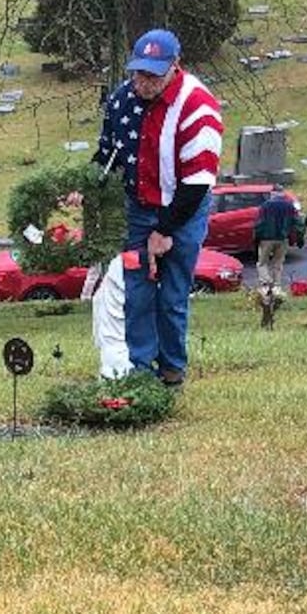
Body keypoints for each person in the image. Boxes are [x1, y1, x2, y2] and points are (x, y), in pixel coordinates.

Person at [93, 27, 223, 388]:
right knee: (137, 292)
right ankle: (139, 370)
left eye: (152, 74)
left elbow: (197, 183)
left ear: (174, 66)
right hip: (139, 208)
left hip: (184, 210)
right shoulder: (122, 100)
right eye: (138, 72)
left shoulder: (198, 106)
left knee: (172, 295)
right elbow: (107, 153)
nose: (143, 82)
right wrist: (86, 185)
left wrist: (165, 231)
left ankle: (171, 370)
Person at [253, 186, 297, 296]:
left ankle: (266, 283)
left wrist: (256, 237)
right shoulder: (289, 206)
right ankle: (277, 285)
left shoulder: (266, 206)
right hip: (283, 239)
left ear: (272, 193)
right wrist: (296, 238)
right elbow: (296, 222)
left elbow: (260, 223)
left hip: (267, 239)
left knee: (262, 262)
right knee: (278, 263)